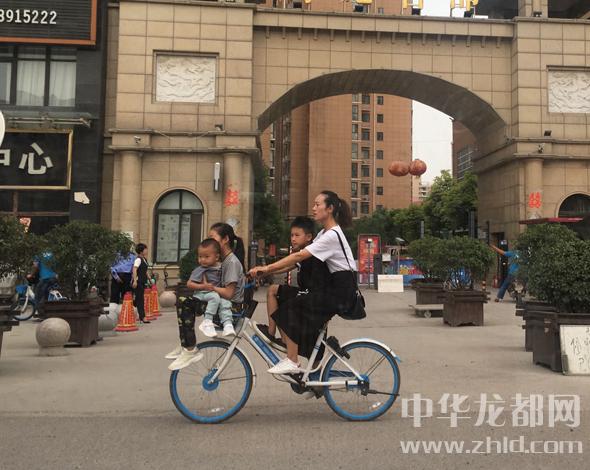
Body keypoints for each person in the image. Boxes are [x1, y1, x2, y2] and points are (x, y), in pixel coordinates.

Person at [249, 190, 357, 375]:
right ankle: (289, 348)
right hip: (332, 289)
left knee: (290, 308)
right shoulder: (323, 233)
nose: (313, 208)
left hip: (340, 292)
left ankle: (292, 360)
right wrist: (266, 271)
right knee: (280, 295)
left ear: (330, 209)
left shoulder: (332, 235)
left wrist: (266, 268)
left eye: (317, 204)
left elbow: (298, 256)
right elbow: (297, 260)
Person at [167, 223, 246, 371]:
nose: (209, 241)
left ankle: (189, 347)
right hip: (220, 301)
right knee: (184, 300)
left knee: (184, 302)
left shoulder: (231, 262)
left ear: (225, 239)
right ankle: (186, 344)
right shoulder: (222, 261)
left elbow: (229, 293)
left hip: (230, 307)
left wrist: (209, 287)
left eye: (212, 237)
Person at [253, 216, 330, 353]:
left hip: (312, 296)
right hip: (307, 293)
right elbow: (288, 267)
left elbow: (292, 261)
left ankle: (272, 333)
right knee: (274, 292)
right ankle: (281, 339)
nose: (293, 239)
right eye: (291, 235)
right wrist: (264, 273)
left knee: (276, 296)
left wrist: (266, 269)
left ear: (309, 237)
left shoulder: (310, 252)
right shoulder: (306, 251)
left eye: (297, 235)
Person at [190, 238, 235, 338]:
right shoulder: (200, 269)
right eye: (200, 256)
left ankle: (227, 324)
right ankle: (207, 322)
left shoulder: (221, 267)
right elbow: (190, 284)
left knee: (225, 302)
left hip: (214, 293)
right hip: (202, 293)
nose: (202, 260)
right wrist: (203, 286)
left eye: (206, 256)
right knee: (214, 297)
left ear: (217, 257)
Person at [131, 243, 151, 324]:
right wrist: (135, 281)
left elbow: (145, 270)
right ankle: (143, 317)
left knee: (139, 298)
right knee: (140, 300)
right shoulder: (138, 259)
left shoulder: (144, 259)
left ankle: (133, 302)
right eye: (145, 249)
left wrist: (149, 278)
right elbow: (134, 269)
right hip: (138, 281)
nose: (146, 250)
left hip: (143, 281)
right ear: (141, 251)